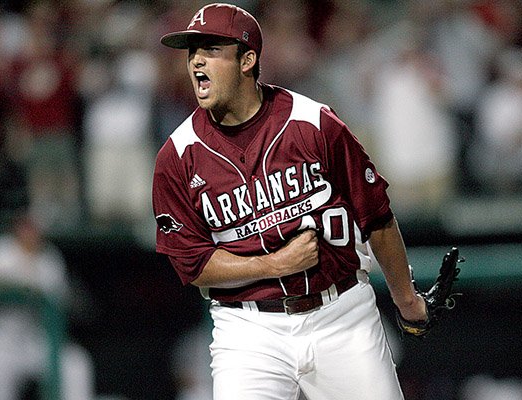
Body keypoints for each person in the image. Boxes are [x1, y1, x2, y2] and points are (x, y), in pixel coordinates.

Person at [152, 3, 428, 399]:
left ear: (247, 60)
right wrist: (273, 264)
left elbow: (376, 217)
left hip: (341, 314)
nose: (196, 60)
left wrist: (407, 301)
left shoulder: (314, 123)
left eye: (211, 49)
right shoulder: (177, 156)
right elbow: (192, 264)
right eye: (192, 52)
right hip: (248, 330)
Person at [0, 210, 95, 400]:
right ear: (17, 227)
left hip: (34, 338)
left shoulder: (49, 259)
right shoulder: (0, 250)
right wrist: (14, 285)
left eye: (34, 227)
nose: (30, 231)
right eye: (26, 226)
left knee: (75, 364)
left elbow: (59, 299)